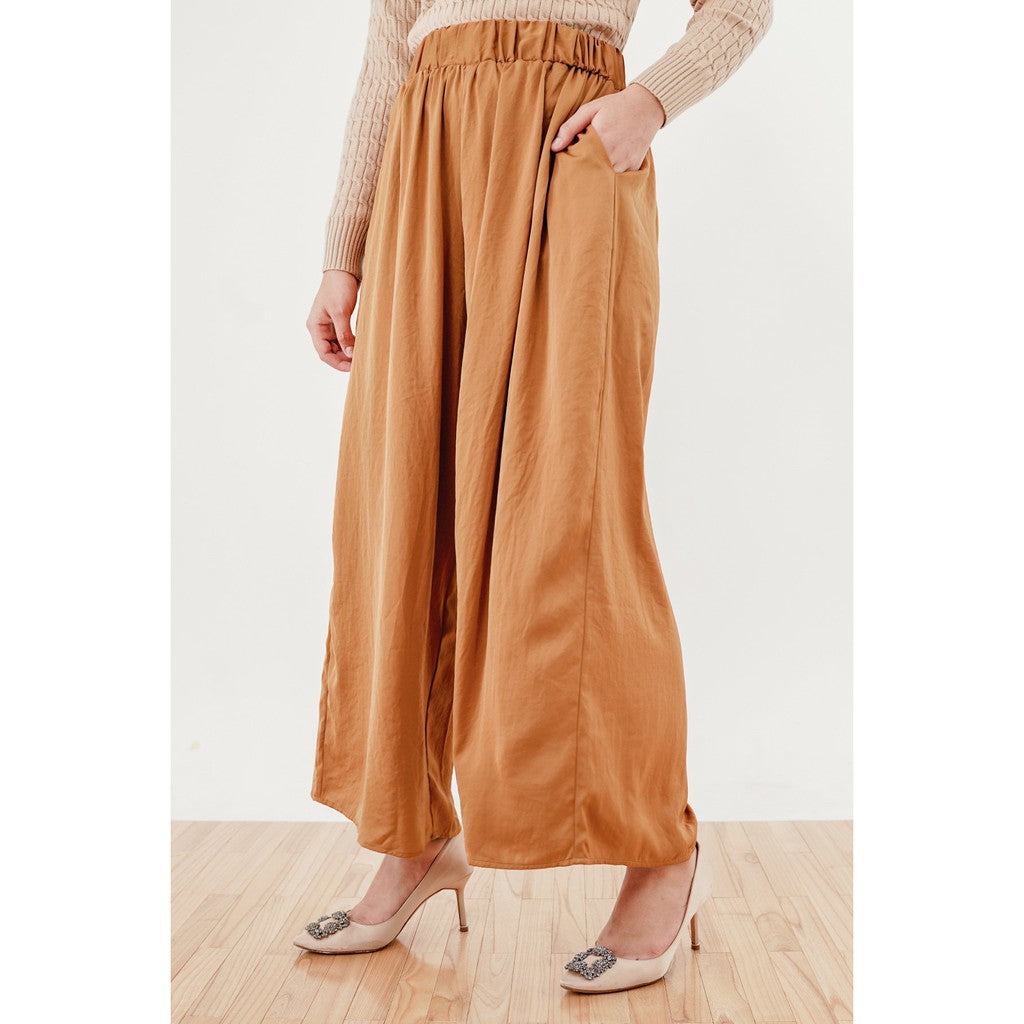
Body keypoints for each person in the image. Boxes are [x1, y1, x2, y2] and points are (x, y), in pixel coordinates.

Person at [297, 0, 771, 993]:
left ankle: (662, 853)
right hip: (425, 163)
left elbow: (740, 8)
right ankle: (412, 836)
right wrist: (345, 246)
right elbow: (387, 52)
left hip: (568, 146)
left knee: (569, 516)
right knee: (403, 506)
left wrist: (651, 101)